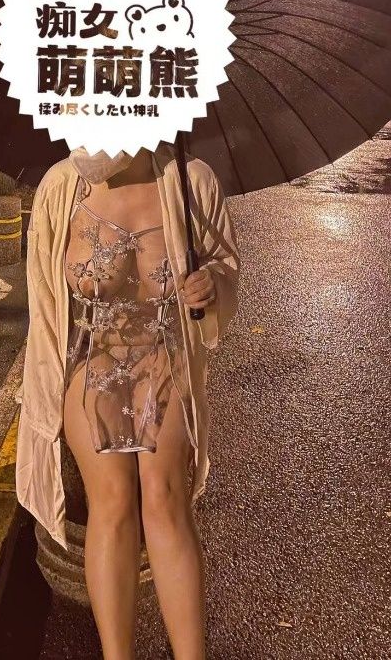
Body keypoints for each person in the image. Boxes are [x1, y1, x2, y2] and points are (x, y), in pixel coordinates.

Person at [15, 142, 240, 660]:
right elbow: (44, 303)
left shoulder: (191, 181)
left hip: (166, 356)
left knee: (165, 497)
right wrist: (44, 390)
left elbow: (226, 268)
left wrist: (211, 286)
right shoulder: (61, 188)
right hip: (89, 358)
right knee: (112, 503)